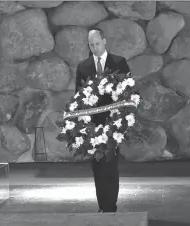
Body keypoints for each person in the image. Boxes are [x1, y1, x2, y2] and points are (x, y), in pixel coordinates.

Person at [75, 28, 131, 213]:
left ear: (104, 41)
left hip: (114, 123)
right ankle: (102, 206)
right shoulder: (83, 67)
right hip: (92, 126)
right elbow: (78, 98)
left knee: (111, 165)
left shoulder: (119, 63)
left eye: (97, 43)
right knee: (98, 167)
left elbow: (128, 91)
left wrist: (121, 118)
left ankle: (110, 206)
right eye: (91, 45)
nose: (94, 48)